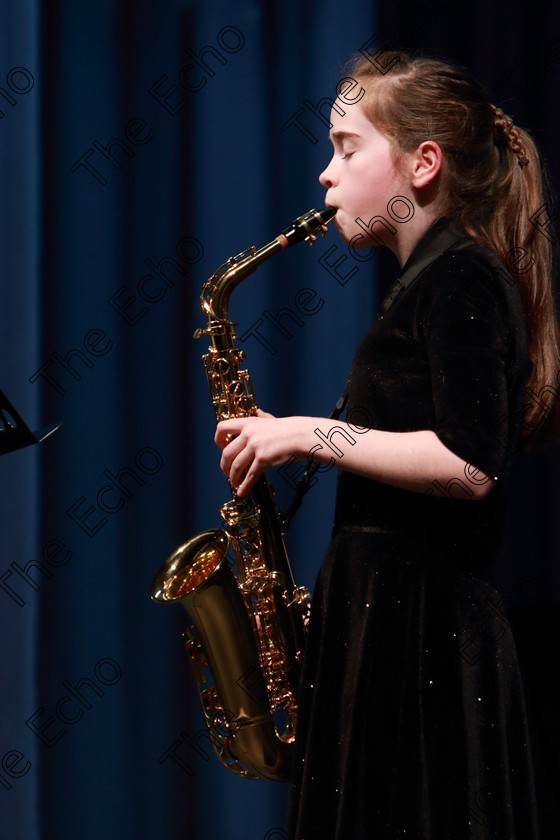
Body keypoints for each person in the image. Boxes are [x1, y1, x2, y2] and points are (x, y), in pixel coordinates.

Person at [214, 51, 560, 839]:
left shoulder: (464, 278)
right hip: (391, 632)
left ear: (423, 163)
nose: (325, 177)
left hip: (423, 642)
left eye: (346, 147)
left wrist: (308, 433)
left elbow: (471, 464)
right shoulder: (428, 283)